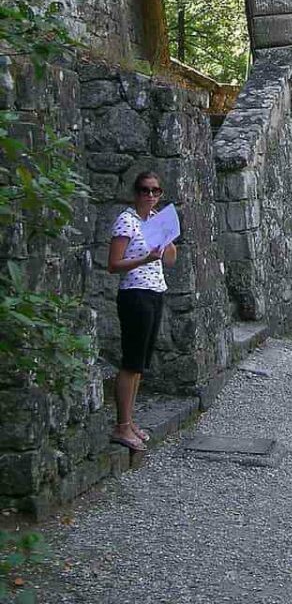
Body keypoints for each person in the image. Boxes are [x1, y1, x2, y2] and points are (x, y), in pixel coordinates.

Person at [107, 171, 177, 451]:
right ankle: (121, 426)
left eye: (156, 191)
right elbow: (113, 264)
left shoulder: (153, 222)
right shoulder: (126, 220)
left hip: (155, 292)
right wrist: (144, 258)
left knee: (141, 363)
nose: (150, 196)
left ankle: (129, 421)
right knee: (131, 361)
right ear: (135, 193)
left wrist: (166, 233)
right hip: (135, 294)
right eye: (145, 190)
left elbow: (170, 260)